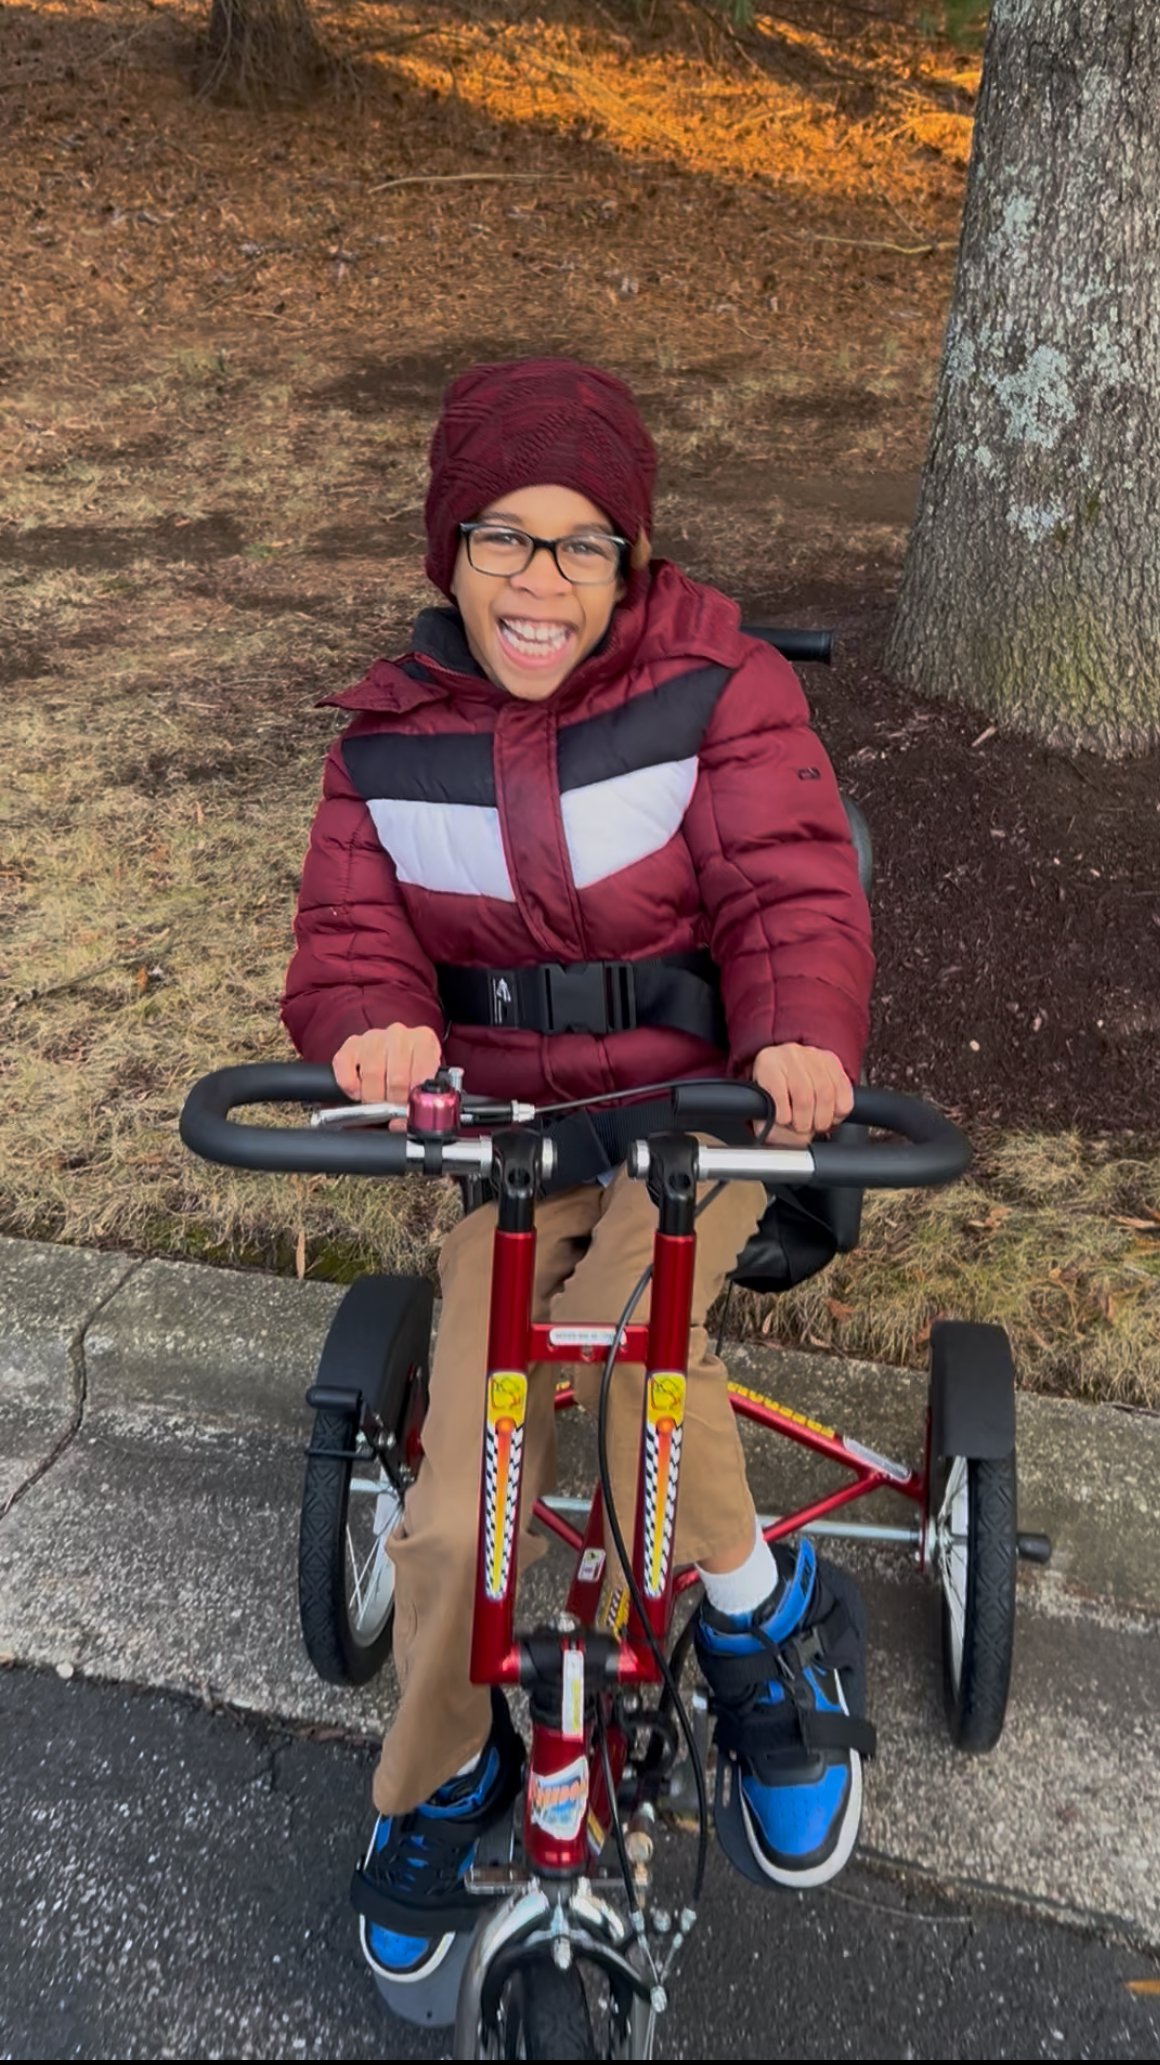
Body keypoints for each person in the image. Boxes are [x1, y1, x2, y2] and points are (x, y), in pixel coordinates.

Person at [282, 357, 875, 1991]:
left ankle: (754, 1617)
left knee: (628, 1368)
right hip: (515, 1145)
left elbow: (787, 888)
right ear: (445, 550)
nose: (538, 580)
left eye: (580, 544)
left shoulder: (719, 689)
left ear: (633, 559)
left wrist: (801, 1036)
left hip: (700, 1129)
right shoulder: (387, 744)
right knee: (453, 1516)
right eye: (502, 539)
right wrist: (378, 1029)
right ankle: (443, 1774)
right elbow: (349, 942)